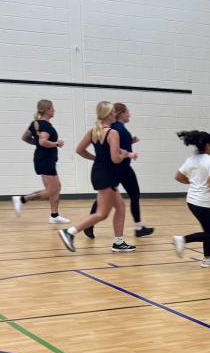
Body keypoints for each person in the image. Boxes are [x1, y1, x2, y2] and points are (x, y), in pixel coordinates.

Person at [57, 102, 136, 253]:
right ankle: (69, 232)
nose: (115, 115)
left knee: (120, 207)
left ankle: (119, 242)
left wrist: (96, 159)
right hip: (107, 174)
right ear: (108, 114)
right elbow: (115, 159)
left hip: (99, 172)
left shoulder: (94, 131)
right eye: (113, 112)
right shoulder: (113, 133)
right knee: (101, 213)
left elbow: (80, 150)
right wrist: (124, 155)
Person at [82, 103, 153, 239]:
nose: (129, 115)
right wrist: (127, 154)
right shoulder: (116, 129)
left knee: (125, 197)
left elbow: (117, 146)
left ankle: (137, 228)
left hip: (123, 166)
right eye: (127, 112)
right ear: (120, 113)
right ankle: (82, 227)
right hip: (119, 167)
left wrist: (130, 143)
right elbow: (114, 149)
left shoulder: (116, 128)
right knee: (109, 199)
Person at [172, 131, 210, 267]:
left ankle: (207, 258)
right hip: (204, 202)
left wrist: (194, 182)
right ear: (208, 146)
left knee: (208, 231)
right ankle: (182, 240)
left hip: (192, 201)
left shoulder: (191, 160)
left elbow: (178, 177)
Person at [12, 99, 68, 223]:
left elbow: (25, 137)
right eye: (52, 108)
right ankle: (22, 199)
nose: (54, 110)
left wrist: (37, 143)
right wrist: (56, 143)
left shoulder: (35, 123)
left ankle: (54, 216)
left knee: (56, 187)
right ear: (47, 110)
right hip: (45, 160)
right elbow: (43, 141)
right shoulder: (46, 126)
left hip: (43, 159)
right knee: (51, 190)